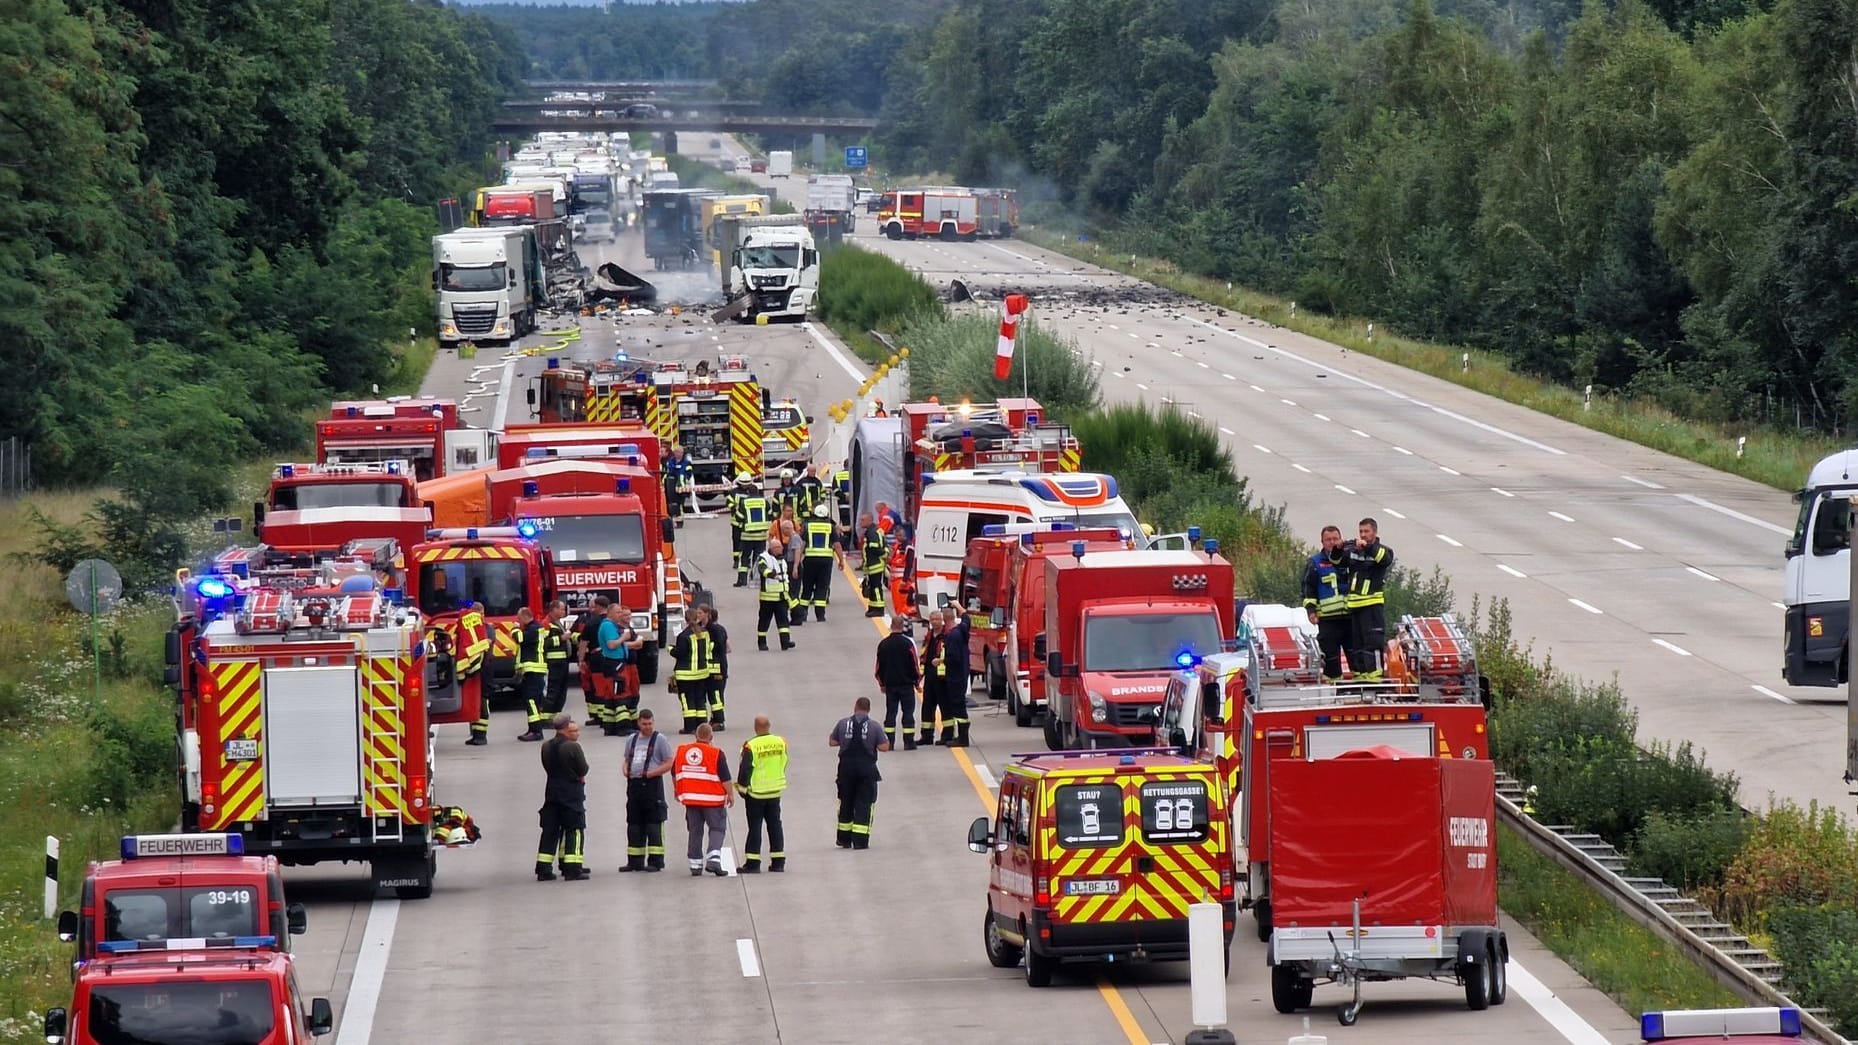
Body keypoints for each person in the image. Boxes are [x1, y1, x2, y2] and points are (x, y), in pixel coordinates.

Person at [671, 722, 734, 876]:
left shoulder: (682, 751)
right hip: (713, 801)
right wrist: (730, 794)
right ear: (711, 736)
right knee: (717, 829)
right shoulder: (716, 753)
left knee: (695, 831)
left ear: (695, 736)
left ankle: (695, 865)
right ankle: (713, 860)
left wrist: (677, 789)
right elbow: (725, 778)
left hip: (691, 800)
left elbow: (674, 772)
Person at [829, 696, 889, 849]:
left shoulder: (843, 723)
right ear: (868, 709)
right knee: (864, 803)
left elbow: (832, 742)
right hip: (866, 770)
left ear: (855, 707)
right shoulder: (874, 726)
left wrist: (845, 740)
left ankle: (844, 839)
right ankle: (860, 841)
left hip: (846, 769)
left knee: (846, 801)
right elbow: (884, 747)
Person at [619, 709, 675, 872]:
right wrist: (625, 769)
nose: (648, 727)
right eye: (644, 724)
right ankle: (635, 861)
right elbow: (627, 759)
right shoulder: (632, 739)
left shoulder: (660, 740)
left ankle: (656, 861)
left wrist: (651, 773)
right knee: (634, 824)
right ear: (638, 723)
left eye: (650, 723)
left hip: (651, 785)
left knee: (654, 824)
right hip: (634, 786)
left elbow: (669, 762)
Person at [536, 714, 589, 881]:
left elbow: (547, 767)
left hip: (551, 793)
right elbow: (583, 769)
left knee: (550, 831)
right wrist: (577, 776)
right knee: (574, 829)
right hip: (571, 793)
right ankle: (572, 868)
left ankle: (543, 869)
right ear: (566, 728)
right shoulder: (572, 747)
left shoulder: (546, 746)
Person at [1344, 517, 1395, 681]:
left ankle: (1375, 678)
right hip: (1354, 606)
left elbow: (1384, 559)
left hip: (1372, 605)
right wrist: (1340, 547)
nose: (1363, 535)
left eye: (1367, 531)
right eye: (1361, 532)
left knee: (1373, 643)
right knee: (1357, 645)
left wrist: (1368, 547)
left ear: (1375, 532)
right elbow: (1337, 560)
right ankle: (1360, 678)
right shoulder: (1354, 550)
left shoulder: (1382, 550)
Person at [736, 715, 787, 873]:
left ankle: (753, 863)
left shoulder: (751, 746)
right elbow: (784, 761)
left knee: (755, 827)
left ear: (755, 727)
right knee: (775, 825)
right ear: (769, 726)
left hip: (756, 793)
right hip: (774, 791)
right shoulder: (781, 742)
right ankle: (778, 862)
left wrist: (742, 790)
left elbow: (745, 770)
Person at [1301, 526, 1352, 681]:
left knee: (1357, 656)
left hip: (1351, 617)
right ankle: (1334, 691)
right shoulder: (1315, 563)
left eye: (1335, 539)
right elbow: (1308, 588)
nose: (1332, 542)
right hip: (1328, 620)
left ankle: (1359, 691)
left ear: (1341, 540)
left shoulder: (1349, 559)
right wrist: (1311, 611)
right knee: (1331, 659)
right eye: (1328, 540)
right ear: (1322, 542)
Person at [874, 614, 920, 750]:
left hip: (890, 685)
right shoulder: (908, 644)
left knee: (891, 713)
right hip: (906, 685)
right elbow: (914, 665)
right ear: (902, 627)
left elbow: (878, 667)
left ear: (891, 626)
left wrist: (882, 684)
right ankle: (909, 742)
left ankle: (890, 742)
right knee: (908, 713)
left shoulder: (883, 644)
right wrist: (917, 682)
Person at [669, 608, 719, 733]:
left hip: (686, 675)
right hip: (702, 673)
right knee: (700, 700)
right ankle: (701, 725)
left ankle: (689, 727)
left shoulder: (684, 636)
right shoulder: (705, 633)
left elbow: (680, 653)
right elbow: (709, 648)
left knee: (687, 701)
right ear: (697, 618)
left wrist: (671, 649)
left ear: (686, 620)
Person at [604, 603, 644, 735]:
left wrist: (628, 643)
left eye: (627, 614)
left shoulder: (626, 629)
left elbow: (639, 644)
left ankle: (615, 725)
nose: (624, 616)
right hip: (618, 664)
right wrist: (626, 641)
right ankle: (622, 726)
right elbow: (612, 645)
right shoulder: (612, 627)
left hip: (626, 664)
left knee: (630, 694)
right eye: (620, 613)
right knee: (621, 695)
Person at [576, 596, 612, 731]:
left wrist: (581, 660)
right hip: (612, 657)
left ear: (597, 606)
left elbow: (583, 644)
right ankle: (607, 715)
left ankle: (601, 717)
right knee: (610, 685)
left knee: (599, 687)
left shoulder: (591, 623)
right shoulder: (612, 622)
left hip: (596, 657)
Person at [797, 504, 838, 622]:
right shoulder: (830, 527)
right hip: (826, 561)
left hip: (810, 560)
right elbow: (837, 545)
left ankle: (803, 614)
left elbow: (802, 544)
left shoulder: (808, 526)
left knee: (807, 587)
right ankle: (820, 615)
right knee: (822, 587)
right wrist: (841, 561)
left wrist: (798, 560)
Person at [460, 601, 492, 746]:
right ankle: (476, 734)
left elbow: (484, 647)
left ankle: (481, 735)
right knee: (475, 700)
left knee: (482, 701)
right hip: (479, 668)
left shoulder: (486, 628)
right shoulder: (478, 627)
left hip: (484, 668)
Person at [755, 535, 795, 651]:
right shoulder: (764, 557)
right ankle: (762, 642)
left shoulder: (782, 559)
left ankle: (785, 642)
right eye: (779, 547)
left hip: (781, 597)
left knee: (783, 620)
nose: (781, 549)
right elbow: (762, 569)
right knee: (764, 621)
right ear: (773, 548)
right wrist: (772, 574)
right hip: (767, 598)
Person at [514, 607, 549, 742]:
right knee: (533, 700)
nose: (518, 621)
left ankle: (536, 731)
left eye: (519, 618)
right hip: (533, 670)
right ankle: (533, 729)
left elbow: (519, 638)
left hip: (534, 669)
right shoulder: (534, 628)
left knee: (531, 700)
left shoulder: (533, 629)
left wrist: (515, 629)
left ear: (524, 617)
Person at [918, 610, 949, 747]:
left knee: (945, 706)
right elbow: (924, 655)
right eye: (932, 620)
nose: (934, 622)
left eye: (937, 619)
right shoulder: (929, 636)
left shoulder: (946, 636)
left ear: (941, 620)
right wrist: (919, 676)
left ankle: (947, 735)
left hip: (942, 678)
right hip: (930, 677)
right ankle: (927, 735)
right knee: (927, 707)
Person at [942, 606, 973, 743]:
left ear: (944, 619)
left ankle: (962, 737)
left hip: (955, 676)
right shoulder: (962, 630)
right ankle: (962, 736)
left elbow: (953, 658)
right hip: (962, 674)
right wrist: (960, 607)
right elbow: (967, 619)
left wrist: (941, 660)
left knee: (958, 706)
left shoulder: (953, 636)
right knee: (959, 704)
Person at [733, 474, 771, 587]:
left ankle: (742, 581)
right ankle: (757, 580)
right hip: (761, 536)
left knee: (744, 559)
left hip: (747, 536)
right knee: (759, 558)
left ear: (748, 493)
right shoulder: (764, 502)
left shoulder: (744, 502)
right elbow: (770, 515)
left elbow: (739, 517)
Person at [542, 600, 572, 717]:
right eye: (561, 609)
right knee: (552, 690)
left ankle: (556, 716)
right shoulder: (546, 624)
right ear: (553, 609)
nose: (563, 611)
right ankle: (546, 717)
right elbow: (543, 642)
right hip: (553, 663)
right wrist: (561, 638)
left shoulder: (557, 622)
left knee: (561, 691)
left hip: (562, 662)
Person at [707, 605, 732, 731]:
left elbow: (723, 648)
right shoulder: (721, 629)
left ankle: (719, 720)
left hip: (718, 668)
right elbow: (729, 648)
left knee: (716, 695)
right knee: (716, 694)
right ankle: (715, 718)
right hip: (721, 666)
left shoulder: (715, 631)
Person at [857, 513, 887, 617]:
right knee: (872, 587)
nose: (861, 522)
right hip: (872, 565)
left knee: (876, 588)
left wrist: (884, 554)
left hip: (875, 565)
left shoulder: (872, 533)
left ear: (870, 520)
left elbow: (874, 548)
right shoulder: (872, 531)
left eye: (863, 520)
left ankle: (879, 609)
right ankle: (873, 607)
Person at [663, 445, 693, 527]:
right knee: (671, 505)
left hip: (681, 489)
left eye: (680, 452)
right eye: (677, 452)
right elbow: (668, 472)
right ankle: (672, 520)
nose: (679, 454)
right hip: (670, 487)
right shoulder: (670, 461)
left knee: (679, 505)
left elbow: (688, 474)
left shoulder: (687, 463)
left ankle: (680, 522)